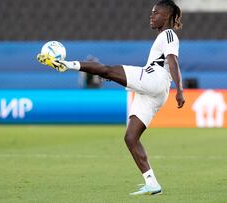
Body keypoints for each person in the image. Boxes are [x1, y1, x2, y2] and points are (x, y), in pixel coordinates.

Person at [37, 0, 185, 196]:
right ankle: (152, 183)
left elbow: (173, 61)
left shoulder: (168, 34)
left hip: (154, 79)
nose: (151, 16)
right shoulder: (162, 37)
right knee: (131, 138)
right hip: (155, 92)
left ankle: (66, 65)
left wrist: (180, 90)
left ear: (166, 16)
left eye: (156, 13)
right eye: (151, 12)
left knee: (106, 70)